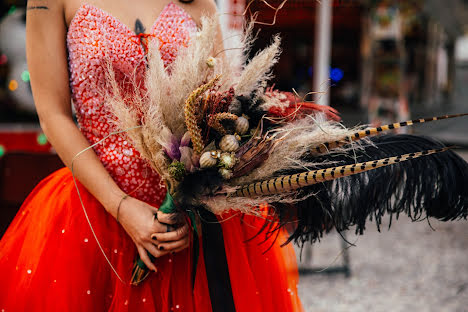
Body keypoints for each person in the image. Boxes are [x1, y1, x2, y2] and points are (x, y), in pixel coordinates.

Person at [0, 0, 304, 311]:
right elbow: (53, 115)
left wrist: (192, 194)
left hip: (191, 216)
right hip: (96, 212)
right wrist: (121, 206)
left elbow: (221, 107)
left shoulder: (200, 3)